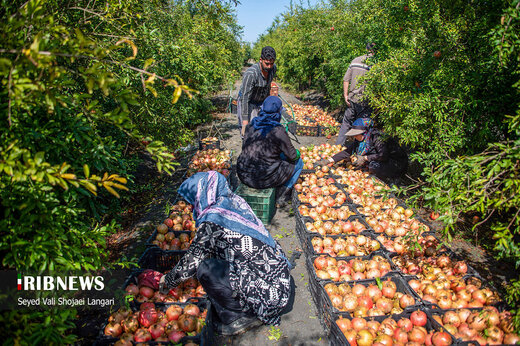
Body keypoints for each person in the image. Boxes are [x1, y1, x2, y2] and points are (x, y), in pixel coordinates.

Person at [159, 171, 294, 336]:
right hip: (278, 281)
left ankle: (242, 316)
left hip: (269, 296)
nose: (191, 207)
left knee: (206, 269)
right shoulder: (233, 202)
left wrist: (169, 280)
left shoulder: (213, 218)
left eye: (192, 200)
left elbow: (193, 260)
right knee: (210, 264)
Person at [236, 96, 303, 207]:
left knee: (277, 154)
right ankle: (281, 195)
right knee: (299, 162)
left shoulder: (251, 125)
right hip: (262, 180)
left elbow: (246, 148)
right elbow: (292, 155)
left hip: (243, 174)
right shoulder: (278, 131)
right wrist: (297, 153)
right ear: (278, 113)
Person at [318, 118, 408, 181]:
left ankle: (390, 179)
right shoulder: (361, 140)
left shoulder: (378, 138)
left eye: (357, 134)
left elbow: (383, 155)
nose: (355, 136)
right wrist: (328, 161)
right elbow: (347, 152)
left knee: (373, 165)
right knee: (368, 164)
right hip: (384, 160)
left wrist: (365, 158)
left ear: (365, 132)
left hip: (397, 163)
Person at [336, 42, 377, 146]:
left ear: (367, 49)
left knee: (346, 123)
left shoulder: (355, 60)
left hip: (352, 99)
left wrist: (346, 95)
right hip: (364, 101)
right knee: (363, 126)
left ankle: (338, 146)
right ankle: (361, 150)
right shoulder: (375, 64)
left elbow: (346, 79)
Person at [237, 46, 277, 137]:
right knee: (248, 132)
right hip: (248, 102)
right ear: (260, 60)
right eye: (267, 63)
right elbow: (245, 97)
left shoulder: (273, 69)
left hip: (261, 101)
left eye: (271, 63)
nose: (269, 66)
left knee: (262, 130)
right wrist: (245, 122)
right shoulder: (251, 74)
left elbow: (268, 87)